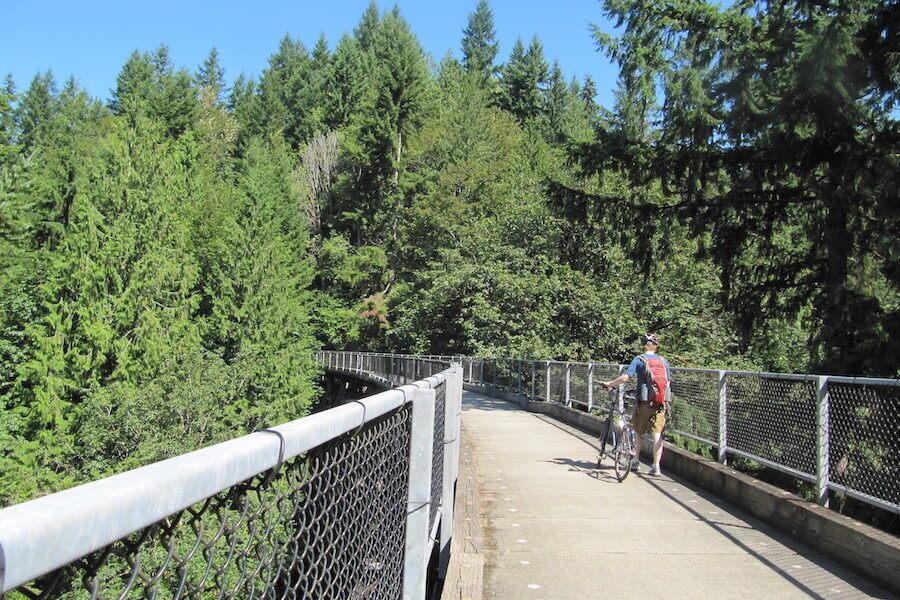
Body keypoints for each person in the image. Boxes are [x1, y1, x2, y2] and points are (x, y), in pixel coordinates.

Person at [601, 332, 672, 476]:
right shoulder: (663, 361)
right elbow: (668, 382)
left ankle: (635, 461)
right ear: (656, 346)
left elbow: (626, 377)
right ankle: (656, 466)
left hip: (644, 400)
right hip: (660, 401)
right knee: (657, 433)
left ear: (643, 345)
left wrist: (611, 383)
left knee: (638, 431)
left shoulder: (639, 359)